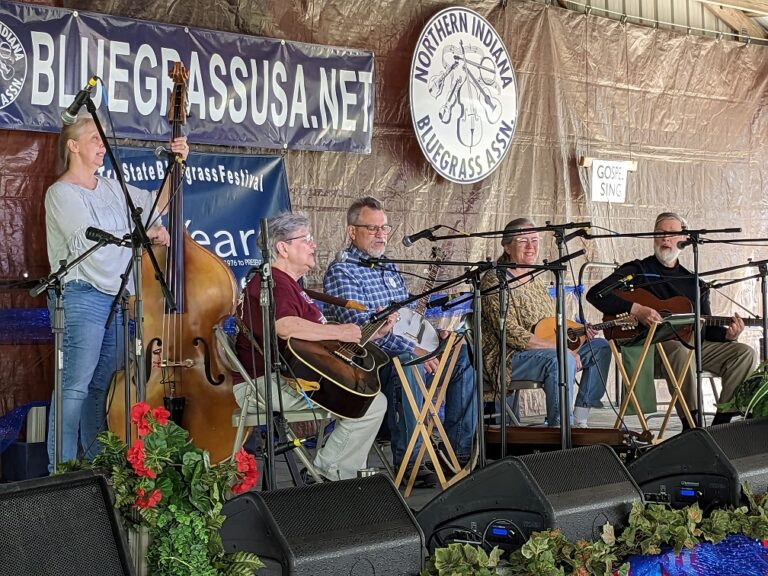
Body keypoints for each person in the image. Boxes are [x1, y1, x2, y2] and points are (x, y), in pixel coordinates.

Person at [45, 114, 189, 468]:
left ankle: (99, 468)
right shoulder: (61, 193)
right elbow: (90, 242)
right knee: (74, 387)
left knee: (103, 386)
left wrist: (177, 164)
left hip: (117, 297)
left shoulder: (112, 187)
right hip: (81, 294)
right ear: (73, 145)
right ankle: (61, 473)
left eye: (102, 139)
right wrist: (145, 234)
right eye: (94, 138)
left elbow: (158, 205)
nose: (102, 145)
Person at [323, 197, 477, 485]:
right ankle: (410, 461)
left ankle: (457, 452)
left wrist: (432, 336)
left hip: (403, 352)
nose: (381, 234)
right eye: (372, 228)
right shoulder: (342, 272)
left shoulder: (389, 266)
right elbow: (362, 331)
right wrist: (413, 349)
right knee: (409, 362)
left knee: (459, 354)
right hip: (368, 365)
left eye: (384, 228)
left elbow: (406, 319)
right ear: (351, 231)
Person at [234, 212, 388, 481]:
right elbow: (285, 326)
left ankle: (334, 471)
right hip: (263, 383)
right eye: (306, 239)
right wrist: (340, 330)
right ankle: (328, 474)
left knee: (366, 399)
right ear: (283, 248)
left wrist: (369, 334)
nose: (313, 244)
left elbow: (314, 344)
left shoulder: (289, 285)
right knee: (369, 404)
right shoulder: (275, 283)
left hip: (287, 377)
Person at [586, 212, 756, 426]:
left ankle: (721, 423)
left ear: (684, 239)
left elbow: (706, 328)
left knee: (745, 353)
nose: (665, 238)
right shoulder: (637, 270)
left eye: (672, 234)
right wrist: (637, 309)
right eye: (660, 233)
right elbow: (596, 294)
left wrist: (730, 336)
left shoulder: (695, 282)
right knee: (679, 349)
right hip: (650, 350)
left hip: (692, 347)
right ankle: (692, 423)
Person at [480, 218, 612, 427]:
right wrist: (560, 349)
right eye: (523, 241)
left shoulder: (535, 279)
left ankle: (580, 419)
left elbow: (549, 324)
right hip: (509, 357)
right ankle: (560, 428)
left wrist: (577, 333)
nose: (531, 247)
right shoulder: (496, 279)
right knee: (561, 360)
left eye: (535, 240)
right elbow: (511, 333)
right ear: (507, 246)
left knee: (600, 348)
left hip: (544, 351)